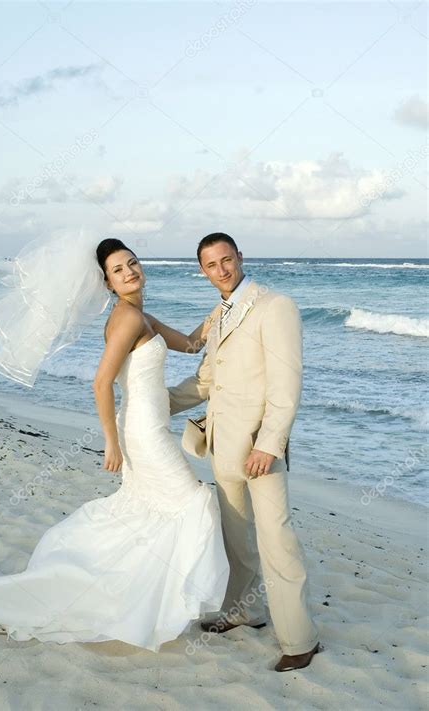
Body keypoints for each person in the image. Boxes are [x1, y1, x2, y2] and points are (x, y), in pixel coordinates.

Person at [0, 235, 229, 652]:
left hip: (150, 427)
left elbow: (191, 345)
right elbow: (100, 382)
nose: (130, 272)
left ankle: (148, 592)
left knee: (155, 510)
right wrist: (111, 443)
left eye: (132, 263)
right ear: (107, 284)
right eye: (118, 270)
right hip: (142, 433)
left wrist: (219, 313)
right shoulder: (127, 318)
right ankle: (165, 600)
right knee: (191, 502)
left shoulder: (142, 315)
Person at [168, 232, 321, 671]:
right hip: (221, 445)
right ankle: (243, 612)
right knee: (236, 539)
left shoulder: (276, 306)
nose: (222, 270)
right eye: (212, 265)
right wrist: (155, 402)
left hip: (259, 451)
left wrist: (269, 443)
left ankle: (300, 640)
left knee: (278, 541)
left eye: (227, 260)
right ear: (202, 271)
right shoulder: (218, 314)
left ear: (240, 257)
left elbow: (286, 384)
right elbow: (204, 381)